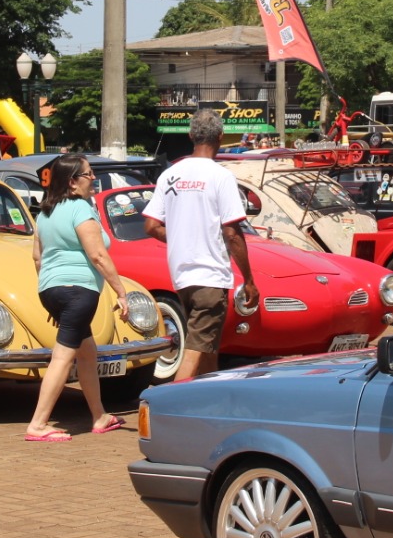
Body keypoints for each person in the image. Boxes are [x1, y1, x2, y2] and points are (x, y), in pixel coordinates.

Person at [144, 110, 259, 381]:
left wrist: (183, 236)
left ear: (190, 135)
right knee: (196, 348)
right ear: (220, 137)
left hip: (182, 278)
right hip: (210, 277)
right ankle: (170, 406)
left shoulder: (170, 175)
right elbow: (232, 233)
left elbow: (150, 226)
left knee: (207, 345)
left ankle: (212, 400)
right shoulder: (221, 176)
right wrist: (250, 279)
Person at [24, 155, 132, 442]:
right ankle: (37, 424)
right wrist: (121, 291)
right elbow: (98, 255)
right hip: (78, 291)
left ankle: (99, 416)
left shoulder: (45, 213)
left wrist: (54, 297)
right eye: (88, 174)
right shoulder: (80, 209)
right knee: (62, 357)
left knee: (87, 353)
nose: (93, 178)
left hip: (52, 289)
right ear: (72, 182)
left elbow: (38, 258)